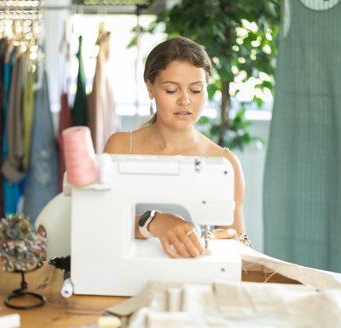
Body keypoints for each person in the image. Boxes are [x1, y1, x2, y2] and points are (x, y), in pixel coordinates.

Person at [104, 36, 247, 258]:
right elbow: (102, 220)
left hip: (196, 280)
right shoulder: (121, 147)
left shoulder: (226, 163)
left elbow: (242, 240)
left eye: (196, 90)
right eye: (172, 90)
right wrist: (153, 221)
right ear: (150, 88)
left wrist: (233, 238)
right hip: (129, 276)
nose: (185, 101)